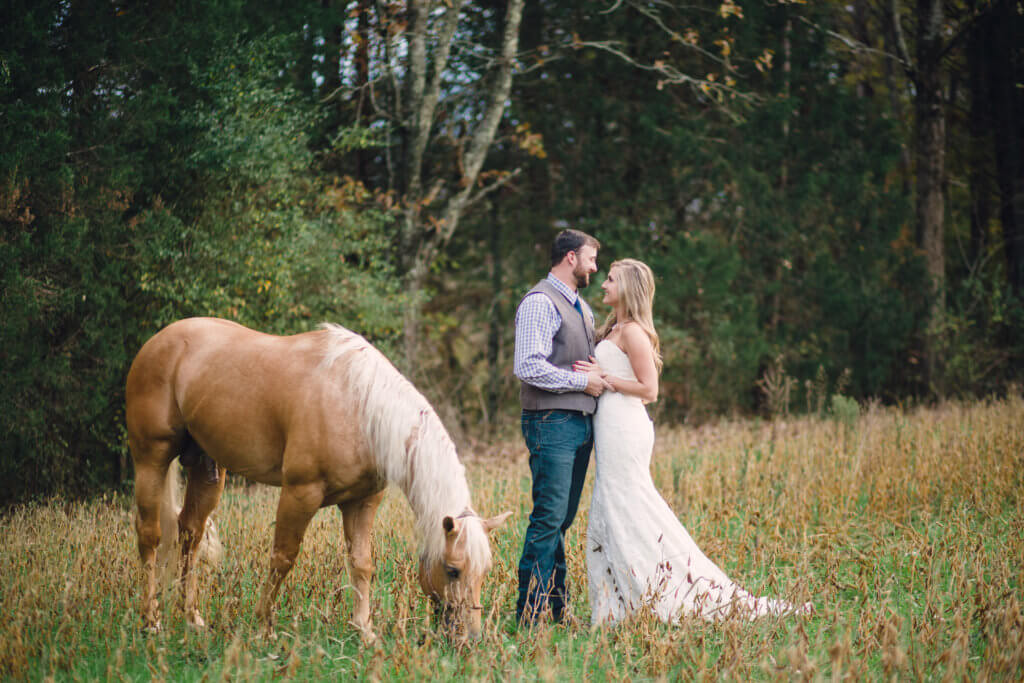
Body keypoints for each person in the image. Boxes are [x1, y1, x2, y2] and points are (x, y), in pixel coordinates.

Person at [574, 259, 811, 624]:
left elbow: (649, 390)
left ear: (628, 289)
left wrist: (605, 378)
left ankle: (659, 592)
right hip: (609, 426)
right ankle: (620, 605)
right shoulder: (613, 328)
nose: (602, 284)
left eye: (610, 280)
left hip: (625, 426)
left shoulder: (634, 332)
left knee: (628, 503)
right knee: (612, 504)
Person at [513, 228, 609, 625]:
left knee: (561, 521)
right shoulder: (540, 301)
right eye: (591, 258)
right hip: (550, 422)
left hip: (578, 426)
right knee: (549, 518)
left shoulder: (581, 307)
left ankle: (556, 609)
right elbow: (528, 365)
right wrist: (581, 382)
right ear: (570, 257)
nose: (595, 266)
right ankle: (530, 616)